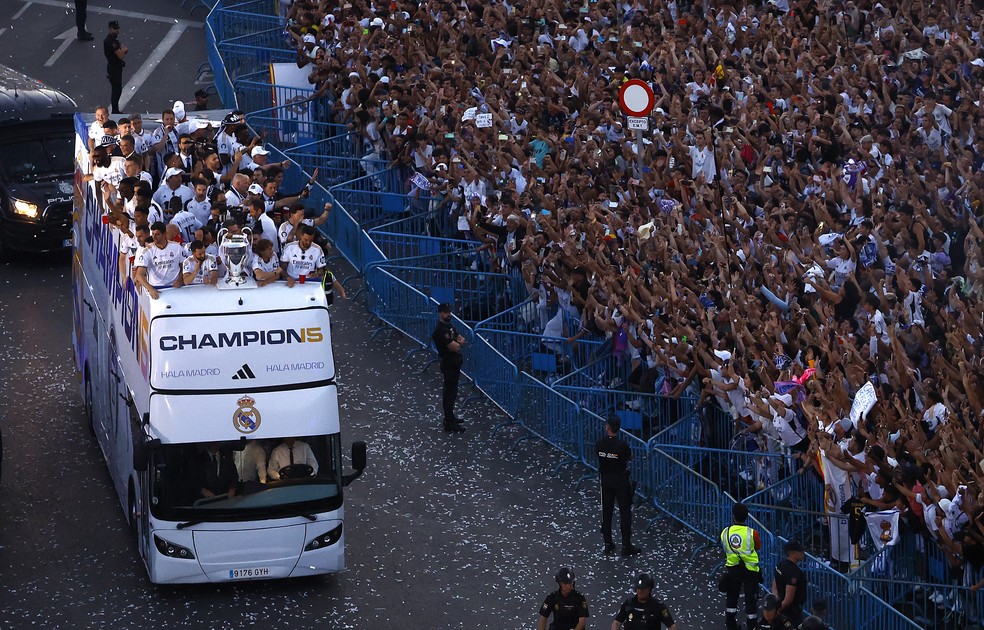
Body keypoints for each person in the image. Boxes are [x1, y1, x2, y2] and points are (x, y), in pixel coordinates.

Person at [597, 416, 640, 557]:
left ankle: (608, 543)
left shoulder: (600, 444)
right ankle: (626, 545)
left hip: (606, 480)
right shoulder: (622, 445)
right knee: (625, 512)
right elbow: (629, 457)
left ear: (607, 427)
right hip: (620, 480)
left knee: (607, 512)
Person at [720, 503, 762, 630]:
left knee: (732, 597)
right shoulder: (752, 533)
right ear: (747, 517)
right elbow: (758, 547)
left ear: (733, 516)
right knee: (751, 600)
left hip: (733, 569)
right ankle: (752, 626)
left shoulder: (725, 532)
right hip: (750, 571)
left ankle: (731, 625)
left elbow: (724, 546)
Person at [431, 303, 466, 433]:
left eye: (449, 312)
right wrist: (458, 343)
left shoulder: (449, 326)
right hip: (449, 364)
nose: (449, 314)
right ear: (440, 313)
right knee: (449, 394)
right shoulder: (439, 331)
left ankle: (451, 417)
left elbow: (460, 338)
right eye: (446, 312)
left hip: (455, 363)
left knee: (453, 392)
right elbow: (456, 346)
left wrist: (458, 342)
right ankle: (449, 421)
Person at [133, 221, 184, 299]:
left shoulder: (177, 247)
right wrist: (150, 289)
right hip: (157, 289)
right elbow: (139, 275)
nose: (154, 237)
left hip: (175, 288)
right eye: (153, 234)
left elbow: (183, 266)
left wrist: (180, 280)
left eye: (157, 234)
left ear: (164, 234)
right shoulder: (147, 251)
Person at [611, 573, 677, 629]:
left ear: (650, 589)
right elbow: (617, 622)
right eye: (638, 588)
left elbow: (671, 626)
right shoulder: (629, 603)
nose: (640, 591)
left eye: (643, 589)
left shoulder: (658, 606)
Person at [773, 540, 807, 626]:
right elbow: (789, 598)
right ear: (792, 553)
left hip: (780, 605)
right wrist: (777, 610)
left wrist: (775, 605)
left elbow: (775, 586)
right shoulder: (794, 572)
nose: (803, 552)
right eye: (800, 551)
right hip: (792, 612)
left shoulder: (779, 565)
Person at [103, 20, 127, 114]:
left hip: (115, 67)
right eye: (114, 29)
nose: (117, 30)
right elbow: (121, 55)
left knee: (117, 89)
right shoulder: (111, 42)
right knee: (116, 90)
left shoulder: (113, 40)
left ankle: (115, 109)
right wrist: (124, 50)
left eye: (117, 28)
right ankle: (115, 110)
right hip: (114, 68)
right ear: (109, 29)